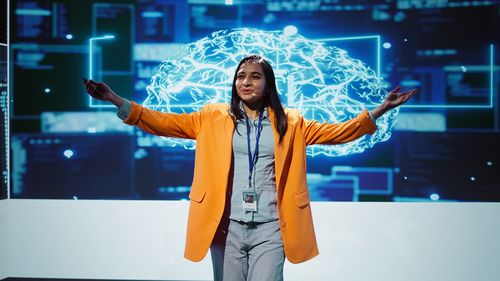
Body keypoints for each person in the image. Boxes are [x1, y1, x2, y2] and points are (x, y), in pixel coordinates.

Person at [83, 55, 416, 281]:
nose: (246, 82)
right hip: (226, 226)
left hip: (272, 227)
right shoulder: (211, 117)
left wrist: (380, 110)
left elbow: (340, 132)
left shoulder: (292, 122)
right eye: (240, 77)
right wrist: (115, 98)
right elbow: (162, 122)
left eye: (254, 76)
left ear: (267, 84)